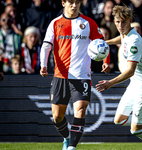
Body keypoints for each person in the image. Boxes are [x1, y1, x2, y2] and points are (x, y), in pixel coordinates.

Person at [96, 5, 142, 150]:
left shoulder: (134, 41)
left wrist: (109, 83)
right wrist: (107, 42)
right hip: (135, 85)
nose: (120, 25)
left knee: (136, 129)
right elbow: (122, 38)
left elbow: (130, 71)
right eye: (117, 22)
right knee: (118, 120)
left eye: (123, 22)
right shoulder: (126, 34)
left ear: (130, 20)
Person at [39, 0, 110, 150]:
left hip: (82, 75)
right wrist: (43, 65)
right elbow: (46, 46)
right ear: (63, 2)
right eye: (71, 2)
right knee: (57, 117)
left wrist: (106, 60)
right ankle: (67, 137)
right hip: (61, 75)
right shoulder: (55, 23)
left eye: (77, 2)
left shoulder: (88, 22)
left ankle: (71, 147)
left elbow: (102, 43)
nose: (74, 5)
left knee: (81, 109)